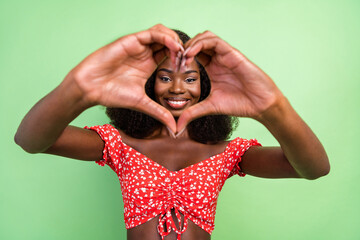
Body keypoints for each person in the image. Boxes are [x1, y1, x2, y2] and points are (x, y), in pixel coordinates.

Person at [14, 24, 330, 240]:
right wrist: (78, 89)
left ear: (207, 86)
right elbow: (32, 139)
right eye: (165, 77)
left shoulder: (227, 154)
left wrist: (272, 107)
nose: (177, 87)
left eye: (190, 79)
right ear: (146, 82)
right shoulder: (119, 145)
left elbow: (313, 168)